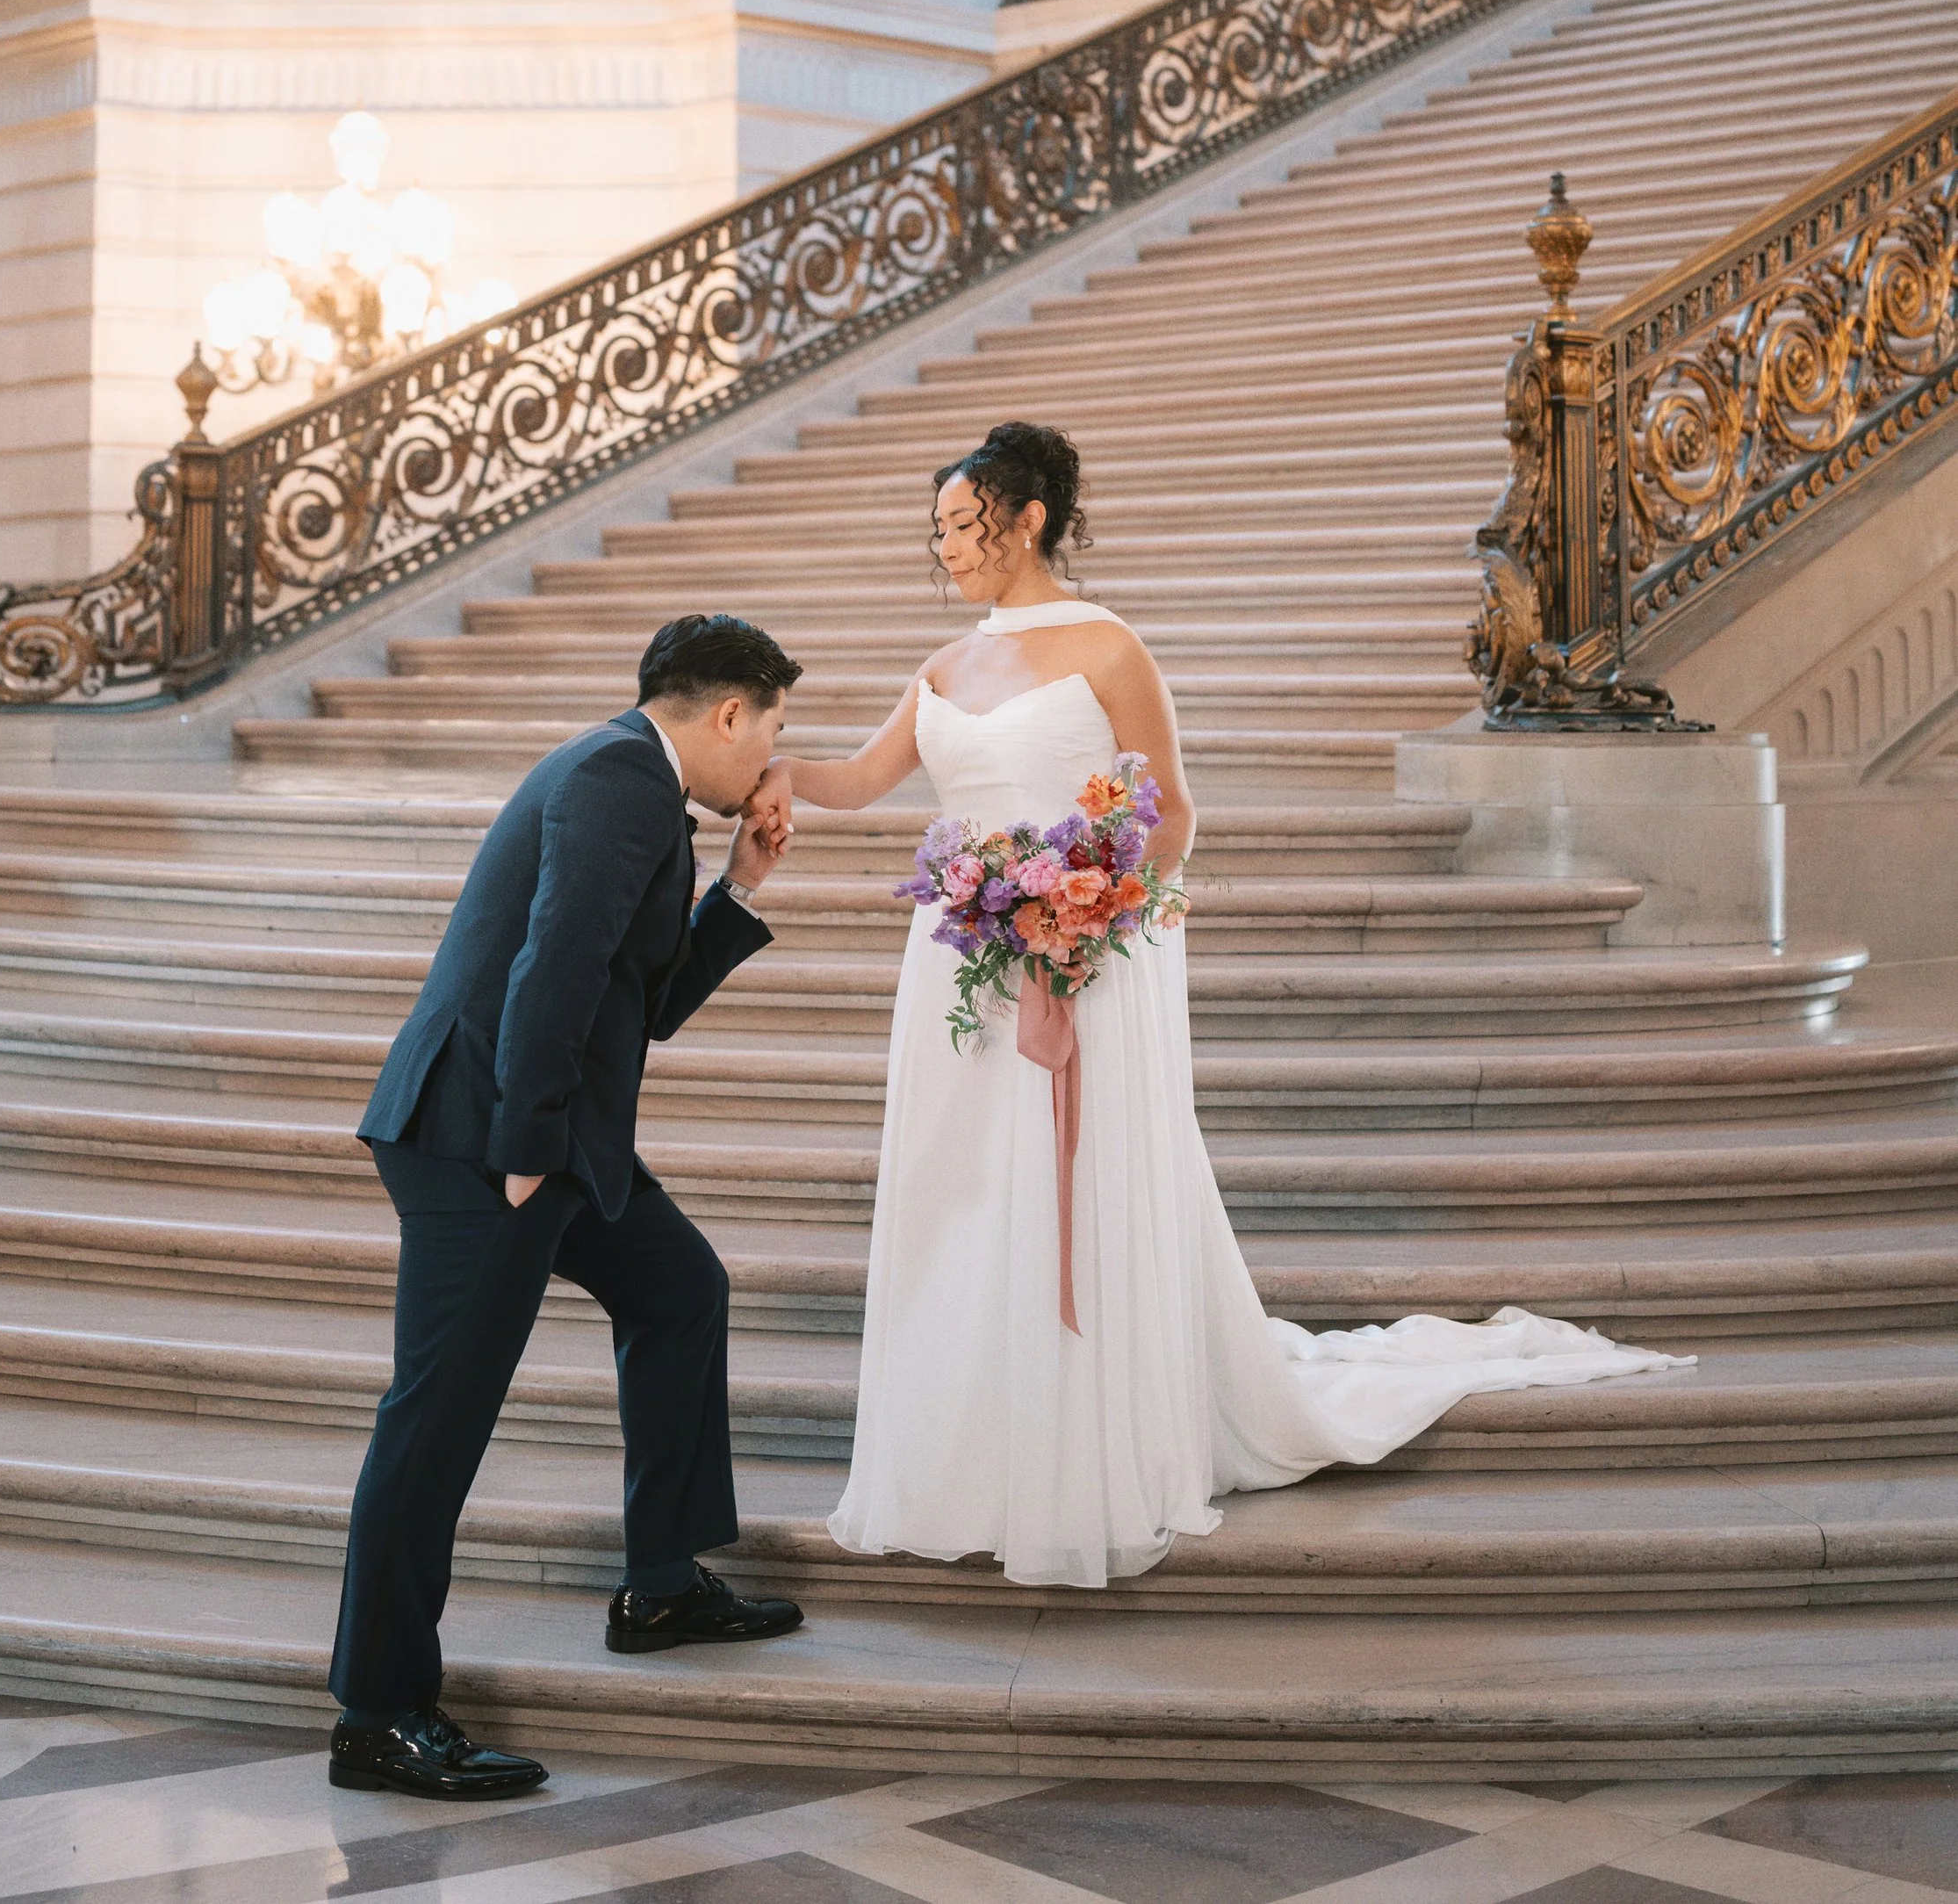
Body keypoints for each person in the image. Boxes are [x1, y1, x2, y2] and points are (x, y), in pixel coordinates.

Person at [747, 420, 1688, 1589]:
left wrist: (1086, 914)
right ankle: (968, 1451)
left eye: (962, 523)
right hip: (961, 963)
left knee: (1070, 1190)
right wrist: (776, 777)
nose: (946, 546)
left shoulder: (1108, 646)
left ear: (1026, 516)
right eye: (936, 529)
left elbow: (1169, 810)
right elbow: (864, 778)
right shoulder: (942, 667)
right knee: (964, 1193)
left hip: (1085, 951)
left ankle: (1091, 1452)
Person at [328, 612, 808, 1801]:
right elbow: (549, 962)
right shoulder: (617, 780)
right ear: (730, 713)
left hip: (548, 1131)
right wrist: (530, 1150)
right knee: (434, 1425)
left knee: (680, 1288)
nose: (772, 761)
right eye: (776, 730)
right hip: (485, 1138)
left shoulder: (640, 788)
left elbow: (631, 1000)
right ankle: (379, 1712)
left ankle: (660, 1583)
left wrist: (740, 891)